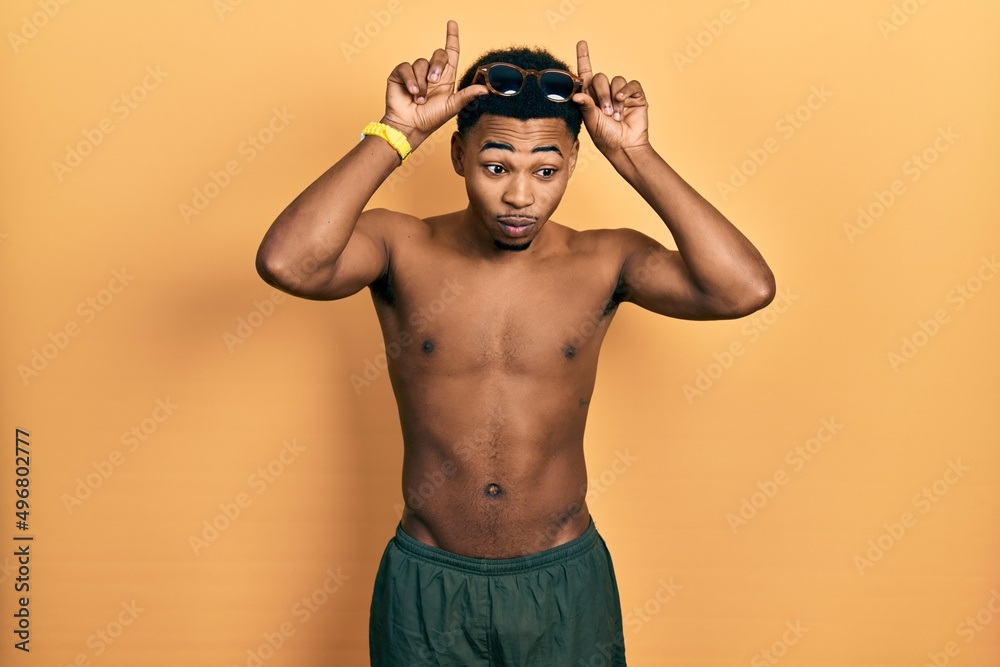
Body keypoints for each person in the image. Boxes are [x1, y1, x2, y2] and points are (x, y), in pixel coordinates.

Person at [255, 19, 774, 667]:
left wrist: (634, 154)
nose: (521, 195)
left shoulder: (602, 259)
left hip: (562, 581)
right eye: (496, 165)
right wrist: (398, 133)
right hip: (429, 583)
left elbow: (744, 288)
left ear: (574, 164)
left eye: (547, 169)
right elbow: (288, 262)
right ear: (458, 157)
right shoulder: (401, 246)